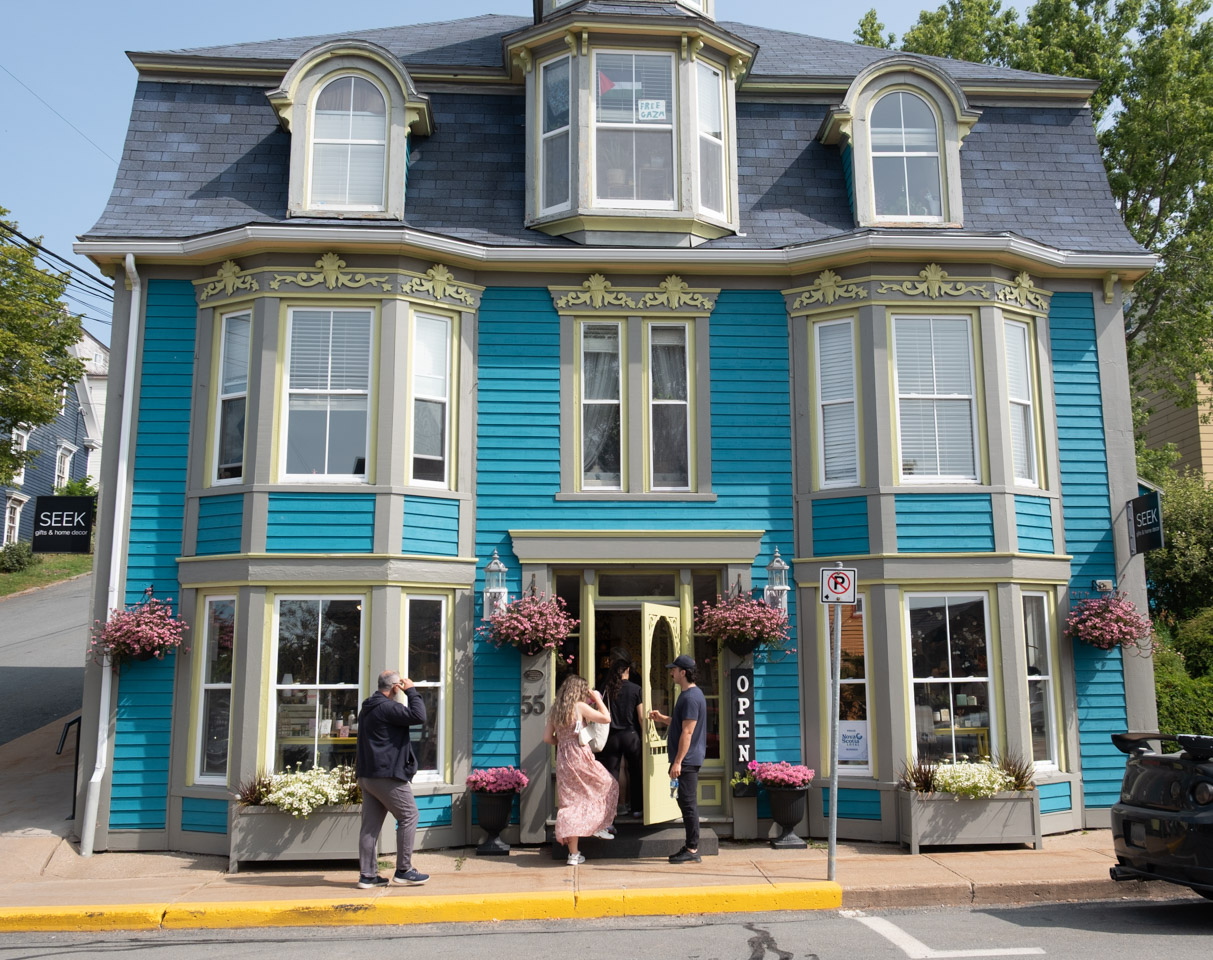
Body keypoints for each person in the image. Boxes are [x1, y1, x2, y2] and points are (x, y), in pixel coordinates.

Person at [354, 669, 430, 888]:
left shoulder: (367, 707)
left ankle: (368, 876)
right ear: (396, 687)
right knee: (409, 815)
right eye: (401, 686)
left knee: (370, 827)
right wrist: (413, 691)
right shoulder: (388, 707)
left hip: (367, 775)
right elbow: (419, 716)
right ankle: (404, 870)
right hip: (386, 774)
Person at [543, 673, 619, 865]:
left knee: (570, 802)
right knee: (608, 784)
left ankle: (574, 855)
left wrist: (562, 743)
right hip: (580, 755)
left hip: (563, 759)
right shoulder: (580, 706)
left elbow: (547, 738)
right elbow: (606, 718)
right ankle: (598, 825)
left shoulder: (555, 710)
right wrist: (595, 698)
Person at [648, 654, 707, 864]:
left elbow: (688, 732)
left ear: (683, 672)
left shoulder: (691, 697)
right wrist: (663, 718)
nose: (671, 672)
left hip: (688, 760)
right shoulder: (689, 695)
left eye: (674, 669)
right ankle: (691, 846)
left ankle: (692, 850)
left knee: (688, 804)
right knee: (684, 802)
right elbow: (682, 724)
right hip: (687, 759)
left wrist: (678, 762)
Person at [598, 659, 645, 818]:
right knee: (635, 772)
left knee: (612, 774)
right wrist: (646, 736)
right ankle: (637, 808)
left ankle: (611, 810)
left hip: (612, 736)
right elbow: (641, 717)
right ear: (627, 670)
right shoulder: (636, 689)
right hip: (631, 736)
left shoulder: (606, 689)